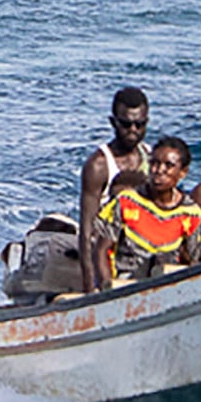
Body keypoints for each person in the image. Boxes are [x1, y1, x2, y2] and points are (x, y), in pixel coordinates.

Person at [94, 135, 201, 286]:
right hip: (123, 285)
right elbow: (101, 250)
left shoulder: (190, 214)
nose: (159, 171)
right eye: (154, 163)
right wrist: (107, 288)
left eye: (169, 166)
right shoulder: (127, 202)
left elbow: (191, 260)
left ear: (183, 172)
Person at [76, 87, 152, 285]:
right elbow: (86, 231)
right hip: (105, 251)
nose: (133, 130)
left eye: (139, 124)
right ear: (113, 123)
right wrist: (89, 288)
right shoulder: (99, 165)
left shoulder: (151, 158)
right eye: (126, 124)